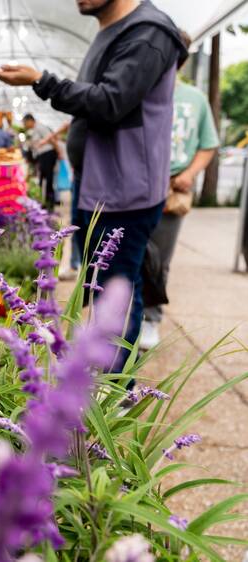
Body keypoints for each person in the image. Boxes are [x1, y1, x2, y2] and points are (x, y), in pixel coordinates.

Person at [0, 0, 188, 368]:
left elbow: (110, 101)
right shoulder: (113, 31)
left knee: (117, 295)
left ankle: (114, 396)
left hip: (126, 192)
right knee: (106, 289)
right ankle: (107, 380)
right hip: (100, 184)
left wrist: (40, 80)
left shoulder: (148, 33)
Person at [140, 31, 219, 350]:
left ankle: (151, 317)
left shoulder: (194, 99)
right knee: (131, 252)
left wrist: (189, 174)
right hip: (139, 185)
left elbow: (208, 144)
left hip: (173, 188)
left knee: (161, 257)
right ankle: (125, 314)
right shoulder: (141, 91)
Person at [24, 114, 59, 211]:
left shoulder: (40, 127)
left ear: (30, 121)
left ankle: (49, 204)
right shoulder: (34, 130)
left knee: (49, 180)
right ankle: (44, 202)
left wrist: (59, 152)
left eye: (25, 122)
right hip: (43, 156)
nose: (25, 125)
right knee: (42, 180)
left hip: (48, 154)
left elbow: (51, 139)